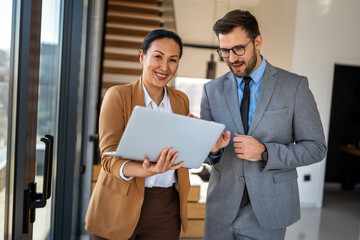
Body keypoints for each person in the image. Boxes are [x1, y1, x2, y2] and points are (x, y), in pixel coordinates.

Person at [201, 10, 327, 239]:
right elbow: (205, 154)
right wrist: (212, 148)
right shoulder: (211, 91)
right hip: (220, 210)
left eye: (238, 49)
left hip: (270, 210)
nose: (231, 58)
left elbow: (316, 148)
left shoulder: (295, 87)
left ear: (257, 42)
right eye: (224, 51)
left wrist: (266, 152)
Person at [85, 29, 191, 240]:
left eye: (173, 60)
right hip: (117, 202)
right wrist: (144, 170)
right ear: (142, 56)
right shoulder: (118, 96)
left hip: (165, 207)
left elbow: (182, 150)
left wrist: (201, 139)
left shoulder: (181, 100)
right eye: (158, 56)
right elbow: (108, 157)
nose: (164, 67)